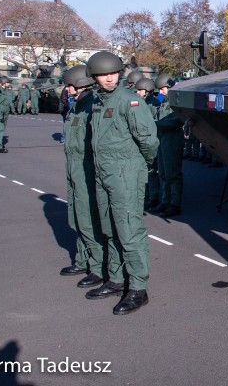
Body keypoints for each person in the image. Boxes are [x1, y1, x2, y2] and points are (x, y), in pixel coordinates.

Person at [84, 51, 158, 315]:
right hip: (104, 173)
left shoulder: (130, 102)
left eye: (113, 73)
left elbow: (149, 141)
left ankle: (138, 287)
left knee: (129, 229)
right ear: (94, 76)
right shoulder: (97, 103)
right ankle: (116, 279)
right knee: (109, 226)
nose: (109, 78)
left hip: (125, 172)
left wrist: (140, 167)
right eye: (103, 74)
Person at [58, 65, 106, 289]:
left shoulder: (91, 107)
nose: (66, 89)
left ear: (80, 84)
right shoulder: (77, 106)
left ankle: (97, 267)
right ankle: (82, 259)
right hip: (74, 168)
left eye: (69, 85)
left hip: (86, 168)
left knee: (88, 217)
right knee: (75, 215)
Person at [151, 73, 184, 218]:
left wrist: (155, 124)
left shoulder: (176, 102)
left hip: (172, 140)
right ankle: (165, 201)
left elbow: (175, 121)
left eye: (163, 89)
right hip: (163, 140)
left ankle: (174, 203)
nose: (161, 92)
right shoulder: (165, 102)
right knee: (163, 173)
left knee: (172, 174)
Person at [134, 77, 161, 212]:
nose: (138, 92)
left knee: (151, 172)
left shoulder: (153, 104)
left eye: (140, 90)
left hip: (150, 141)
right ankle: (147, 196)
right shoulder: (142, 102)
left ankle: (153, 197)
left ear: (148, 90)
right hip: (142, 140)